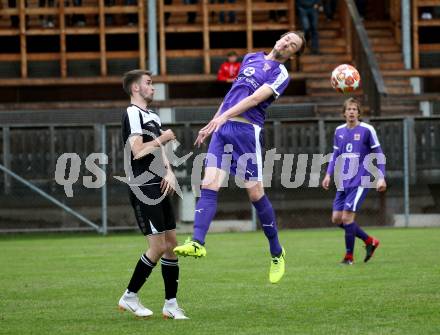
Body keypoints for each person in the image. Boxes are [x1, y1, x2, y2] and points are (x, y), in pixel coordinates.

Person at [173, 31, 306, 284]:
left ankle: (277, 252)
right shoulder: (251, 57)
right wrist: (214, 121)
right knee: (208, 184)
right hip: (223, 130)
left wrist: (223, 117)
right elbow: (232, 95)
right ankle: (198, 242)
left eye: (293, 45)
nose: (287, 44)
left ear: (293, 55)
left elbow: (255, 98)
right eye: (287, 39)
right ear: (278, 38)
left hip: (246, 131)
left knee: (255, 194)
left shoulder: (281, 74)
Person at [118, 69, 188, 320]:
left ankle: (171, 304)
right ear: (135, 88)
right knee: (157, 246)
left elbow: (159, 154)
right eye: (148, 83)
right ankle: (129, 296)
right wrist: (164, 137)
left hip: (159, 182)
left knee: (171, 245)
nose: (152, 87)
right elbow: (137, 151)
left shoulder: (153, 116)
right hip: (142, 185)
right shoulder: (132, 112)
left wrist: (169, 173)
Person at [321, 98, 386, 265]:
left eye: (354, 109)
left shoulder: (367, 130)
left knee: (347, 218)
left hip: (360, 180)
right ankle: (370, 241)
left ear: (359, 112)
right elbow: (335, 155)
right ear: (344, 112)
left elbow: (378, 154)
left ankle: (349, 257)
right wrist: (328, 175)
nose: (351, 112)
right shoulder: (339, 131)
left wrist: (380, 177)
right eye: (348, 109)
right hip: (343, 181)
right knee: (337, 219)